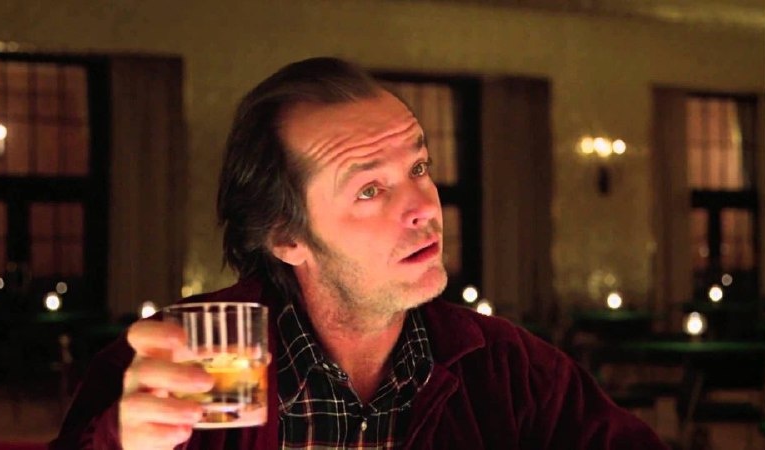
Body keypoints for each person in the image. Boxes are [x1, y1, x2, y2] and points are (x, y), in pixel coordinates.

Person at [50, 57, 668, 450]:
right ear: (286, 238)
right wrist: (118, 444)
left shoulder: (512, 373)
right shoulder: (183, 365)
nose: (424, 206)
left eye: (419, 167)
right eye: (370, 189)